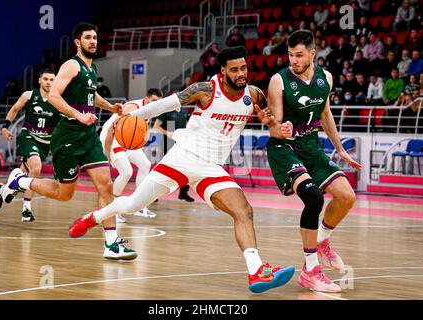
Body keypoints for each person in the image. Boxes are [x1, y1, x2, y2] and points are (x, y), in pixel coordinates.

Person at [68, 46, 296, 294]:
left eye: (244, 68)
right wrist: (133, 118)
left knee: (244, 210)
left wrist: (277, 127)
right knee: (132, 205)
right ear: (222, 71)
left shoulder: (254, 95)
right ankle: (93, 218)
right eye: (235, 69)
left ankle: (256, 272)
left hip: (211, 168)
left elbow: (272, 124)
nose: (241, 73)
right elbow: (164, 105)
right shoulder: (206, 90)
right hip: (182, 158)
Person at [0, 23, 137, 261]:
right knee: (64, 194)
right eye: (88, 38)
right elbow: (53, 96)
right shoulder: (72, 65)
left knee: (105, 185)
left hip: (88, 136)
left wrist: (109, 106)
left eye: (95, 37)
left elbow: (92, 96)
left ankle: (111, 244)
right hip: (68, 135)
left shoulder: (91, 70)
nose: (93, 41)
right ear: (77, 42)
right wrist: (78, 115)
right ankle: (21, 180)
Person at [259, 30, 362, 293]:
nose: (293, 60)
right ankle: (310, 270)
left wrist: (340, 149)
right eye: (290, 55)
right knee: (314, 198)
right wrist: (275, 126)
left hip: (311, 146)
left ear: (312, 54)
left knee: (347, 196)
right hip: (285, 148)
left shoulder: (325, 77)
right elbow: (275, 123)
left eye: (299, 55)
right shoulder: (278, 81)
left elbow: (325, 114)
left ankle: (323, 240)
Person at [0, 68, 60, 222]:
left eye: (51, 79)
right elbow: (15, 109)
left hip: (46, 142)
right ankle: (26, 210)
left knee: (25, 173)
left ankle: (3, 190)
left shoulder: (58, 99)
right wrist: (5, 127)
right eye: (46, 79)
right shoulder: (29, 95)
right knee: (36, 168)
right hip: (29, 136)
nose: (49, 82)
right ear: (39, 80)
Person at [100, 88, 163, 223]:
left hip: (126, 140)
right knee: (126, 172)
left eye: (157, 102)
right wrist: (107, 151)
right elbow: (112, 128)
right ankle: (113, 207)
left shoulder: (150, 110)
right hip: (113, 138)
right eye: (153, 101)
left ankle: (138, 205)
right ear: (146, 99)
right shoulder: (133, 107)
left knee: (145, 164)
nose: (155, 104)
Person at [153, 104, 195, 203]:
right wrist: (168, 133)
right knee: (163, 169)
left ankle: (183, 192)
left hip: (181, 142)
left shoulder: (184, 111)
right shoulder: (166, 110)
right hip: (168, 142)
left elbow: (186, 126)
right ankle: (153, 193)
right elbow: (156, 126)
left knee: (185, 168)